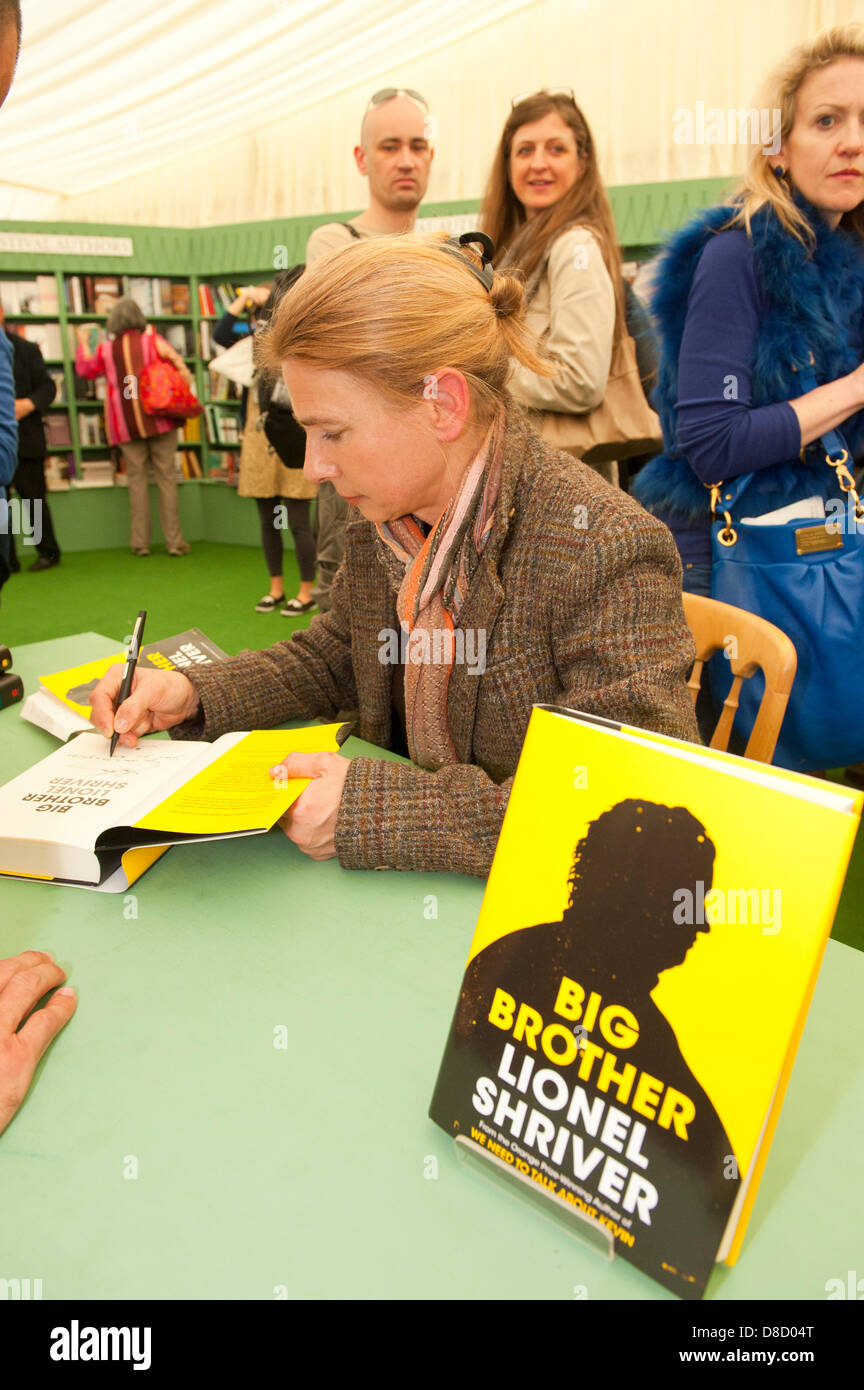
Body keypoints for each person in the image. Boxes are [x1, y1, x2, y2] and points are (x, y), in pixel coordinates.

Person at [89, 232, 698, 878]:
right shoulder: (384, 514)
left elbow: (629, 802)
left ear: (444, 405)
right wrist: (193, 691)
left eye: (334, 433)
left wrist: (374, 811)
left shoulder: (601, 547)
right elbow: (341, 655)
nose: (317, 467)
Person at [631, 24, 864, 596]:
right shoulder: (738, 255)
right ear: (778, 148)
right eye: (827, 120)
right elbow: (714, 445)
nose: (853, 142)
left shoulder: (847, 261)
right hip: (730, 564)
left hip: (822, 549)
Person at [305, 88, 435, 612]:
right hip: (352, 485)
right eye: (389, 146)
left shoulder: (444, 252)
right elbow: (359, 359)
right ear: (361, 158)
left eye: (418, 145)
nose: (406, 160)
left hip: (429, 483)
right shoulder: (333, 245)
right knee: (346, 622)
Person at [481, 89, 625, 486]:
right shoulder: (517, 247)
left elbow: (580, 380)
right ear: (507, 165)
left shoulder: (573, 246)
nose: (538, 163)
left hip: (565, 493)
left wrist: (477, 368)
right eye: (524, 150)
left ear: (582, 164)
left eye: (556, 149)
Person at [215, 278, 318, 616]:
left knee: (298, 518)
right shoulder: (255, 333)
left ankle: (307, 590)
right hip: (259, 431)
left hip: (294, 428)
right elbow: (220, 334)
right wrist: (244, 298)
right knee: (268, 517)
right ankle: (275, 587)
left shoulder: (302, 332)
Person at [74, 297, 194, 556]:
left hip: (125, 427)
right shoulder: (154, 342)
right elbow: (182, 371)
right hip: (161, 419)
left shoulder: (106, 349)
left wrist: (83, 344)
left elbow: (85, 370)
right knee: (166, 481)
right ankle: (174, 542)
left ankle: (140, 544)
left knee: (136, 483)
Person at [2, 300, 61, 571]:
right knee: (2, 506)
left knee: (34, 501)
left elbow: (48, 387)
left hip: (26, 440)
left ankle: (47, 552)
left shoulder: (24, 349)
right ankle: (7, 559)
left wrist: (27, 404)